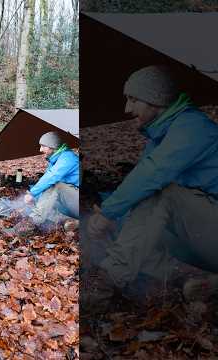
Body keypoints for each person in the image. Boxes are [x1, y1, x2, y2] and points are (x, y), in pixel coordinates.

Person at [86, 65, 218, 305]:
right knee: (129, 230)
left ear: (155, 99)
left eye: (133, 99)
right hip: (202, 232)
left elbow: (151, 175)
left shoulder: (193, 128)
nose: (127, 108)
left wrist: (108, 212)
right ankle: (193, 278)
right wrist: (112, 214)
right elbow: (140, 184)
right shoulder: (162, 134)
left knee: (162, 193)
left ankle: (108, 280)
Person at [8, 131, 79, 236]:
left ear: (52, 146)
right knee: (41, 204)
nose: (40, 150)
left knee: (55, 185)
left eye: (43, 146)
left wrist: (32, 193)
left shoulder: (68, 158)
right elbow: (46, 189)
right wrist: (35, 199)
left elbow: (51, 177)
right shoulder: (55, 160)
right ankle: (68, 221)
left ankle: (29, 225)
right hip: (71, 202)